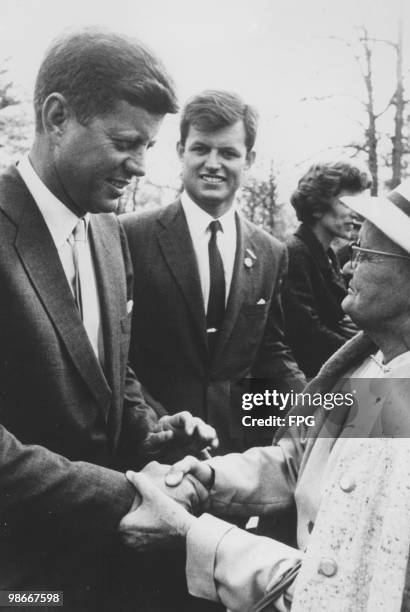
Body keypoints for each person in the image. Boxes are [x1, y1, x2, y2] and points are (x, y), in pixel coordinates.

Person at [120, 171, 410, 611]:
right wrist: (207, 477)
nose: (347, 264)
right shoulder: (384, 361)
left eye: (365, 253)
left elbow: (338, 587)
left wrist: (189, 533)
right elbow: (304, 464)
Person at [0, 29, 216, 610]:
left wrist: (151, 430)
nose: (141, 166)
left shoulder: (107, 231)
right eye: (126, 142)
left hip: (99, 574)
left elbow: (109, 371)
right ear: (56, 116)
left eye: (149, 145)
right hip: (19, 583)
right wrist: (120, 495)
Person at [121, 90, 305, 455]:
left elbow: (270, 352)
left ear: (248, 159)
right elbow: (117, 356)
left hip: (233, 454)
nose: (212, 163)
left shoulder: (270, 251)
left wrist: (313, 411)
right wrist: (159, 427)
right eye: (201, 149)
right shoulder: (129, 235)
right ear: (180, 151)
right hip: (153, 446)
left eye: (228, 153)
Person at [283, 159, 372, 378]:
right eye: (346, 203)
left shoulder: (328, 254)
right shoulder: (295, 253)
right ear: (317, 207)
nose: (355, 213)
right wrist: (364, 353)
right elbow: (306, 332)